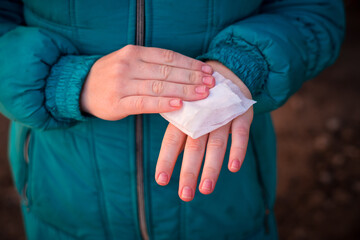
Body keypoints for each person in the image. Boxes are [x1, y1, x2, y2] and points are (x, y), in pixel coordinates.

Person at [0, 0, 345, 239]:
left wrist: (248, 61)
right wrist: (62, 82)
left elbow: (313, 10)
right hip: (62, 191)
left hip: (227, 201)